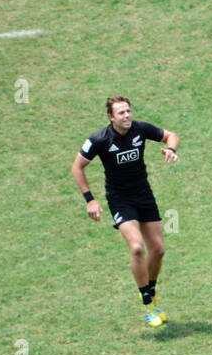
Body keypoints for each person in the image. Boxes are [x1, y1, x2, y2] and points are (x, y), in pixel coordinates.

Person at [71, 96, 180, 328]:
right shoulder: (99, 140)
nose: (127, 116)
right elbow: (77, 167)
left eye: (128, 111)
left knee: (159, 249)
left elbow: (171, 135)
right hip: (120, 199)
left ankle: (151, 289)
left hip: (144, 194)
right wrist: (90, 200)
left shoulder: (140, 129)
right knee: (138, 247)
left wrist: (171, 149)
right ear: (111, 117)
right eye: (121, 113)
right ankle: (148, 303)